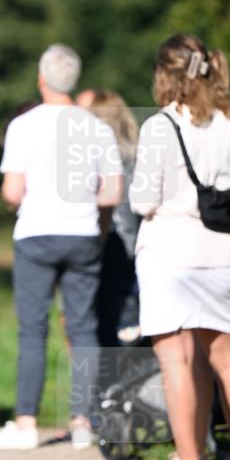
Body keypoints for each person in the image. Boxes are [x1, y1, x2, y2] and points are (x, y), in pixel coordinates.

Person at [0, 45, 122, 452]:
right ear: (73, 81)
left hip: (37, 236)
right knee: (83, 328)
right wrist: (99, 230)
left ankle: (26, 422)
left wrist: (16, 202)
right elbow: (112, 191)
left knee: (33, 329)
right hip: (83, 235)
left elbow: (11, 191)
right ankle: (83, 422)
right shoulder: (96, 126)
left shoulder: (25, 125)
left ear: (42, 80)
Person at [129, 34, 230, 460]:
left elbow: (143, 200)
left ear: (164, 73)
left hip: (168, 253)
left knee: (176, 362)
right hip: (222, 252)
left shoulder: (160, 125)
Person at [84, 90, 141, 345]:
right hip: (140, 247)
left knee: (106, 322)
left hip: (109, 244)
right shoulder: (139, 153)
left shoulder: (96, 156)